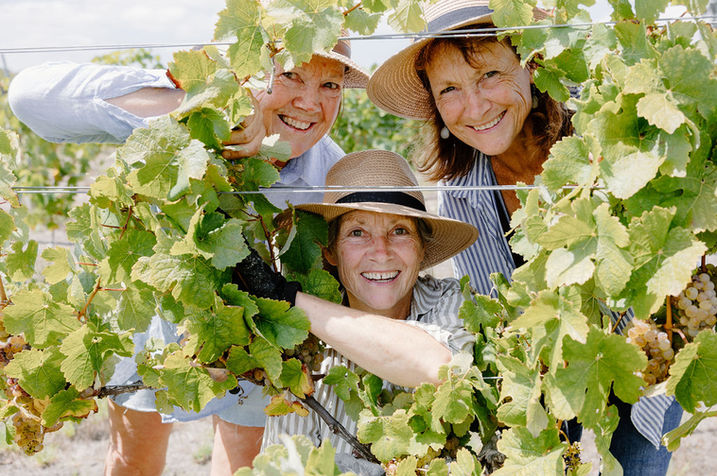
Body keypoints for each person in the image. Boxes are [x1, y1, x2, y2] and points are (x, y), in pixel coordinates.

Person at [8, 39, 368, 476]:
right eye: (290, 74)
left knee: (243, 462)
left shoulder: (336, 180)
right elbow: (28, 97)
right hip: (149, 315)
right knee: (132, 462)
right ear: (249, 70)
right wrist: (192, 105)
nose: (310, 103)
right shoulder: (191, 117)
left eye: (331, 85)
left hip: (257, 332)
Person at [366, 1, 682, 474]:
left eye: (489, 75)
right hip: (549, 373)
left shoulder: (603, 135)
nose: (475, 107)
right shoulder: (463, 193)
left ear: (531, 64)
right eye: (449, 89)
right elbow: (502, 315)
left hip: (646, 357)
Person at [233, 149, 479, 473]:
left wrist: (289, 300)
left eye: (400, 230)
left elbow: (440, 366)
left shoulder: (451, 299)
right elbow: (283, 467)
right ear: (331, 252)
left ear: (422, 248)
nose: (381, 252)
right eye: (357, 233)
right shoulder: (305, 349)